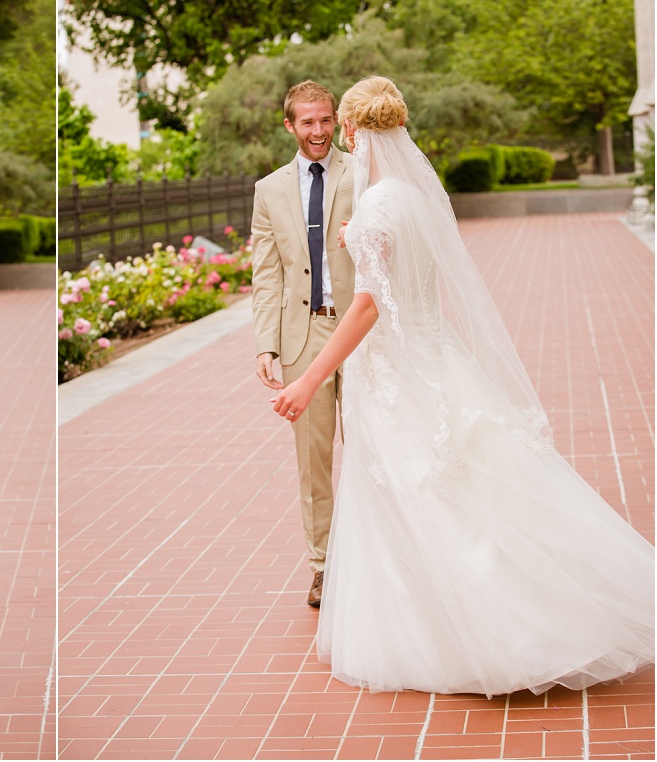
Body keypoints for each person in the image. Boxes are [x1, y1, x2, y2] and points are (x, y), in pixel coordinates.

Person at [272, 76, 655, 696]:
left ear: (350, 130)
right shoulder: (414, 196)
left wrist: (311, 379)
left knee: (419, 494)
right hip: (435, 356)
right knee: (459, 487)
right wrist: (356, 240)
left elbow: (368, 305)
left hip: (394, 370)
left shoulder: (374, 204)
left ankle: (480, 635)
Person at [249, 80, 355, 607]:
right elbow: (267, 274)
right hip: (302, 335)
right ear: (289, 125)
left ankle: (377, 559)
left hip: (361, 330)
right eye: (307, 122)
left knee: (369, 449)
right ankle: (323, 565)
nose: (318, 131)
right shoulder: (268, 190)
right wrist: (266, 343)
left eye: (325, 120)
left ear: (336, 120)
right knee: (313, 463)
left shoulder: (363, 173)